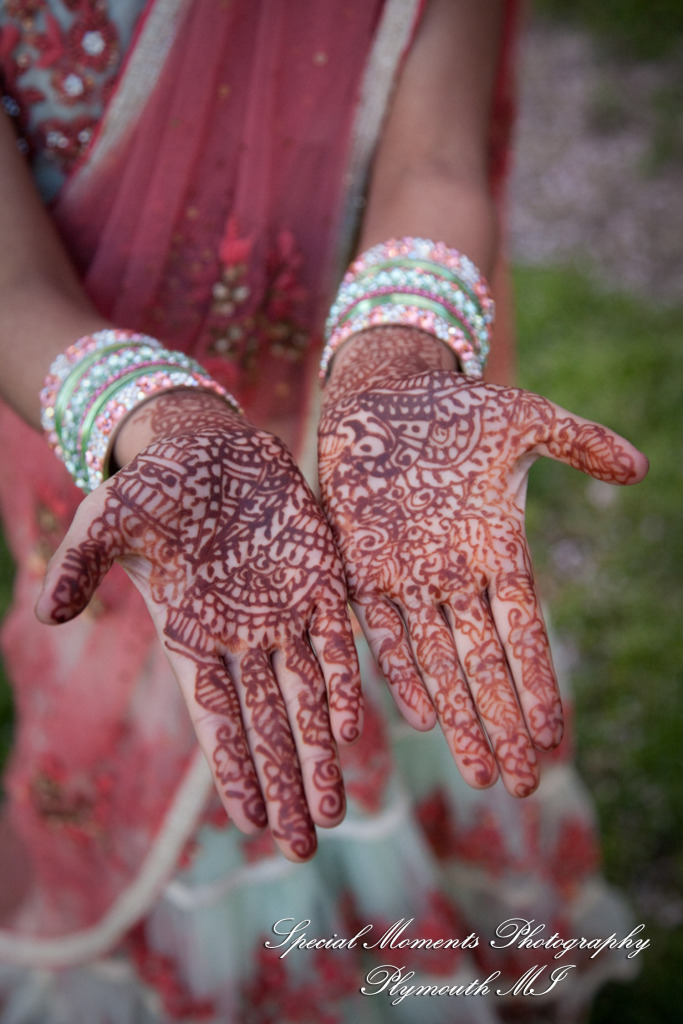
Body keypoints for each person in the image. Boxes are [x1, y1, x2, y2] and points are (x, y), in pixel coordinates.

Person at [0, 1, 648, 1021]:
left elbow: (435, 160)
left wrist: (393, 366)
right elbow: (10, 282)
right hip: (106, 446)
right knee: (201, 722)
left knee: (401, 680)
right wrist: (159, 425)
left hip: (361, 454)